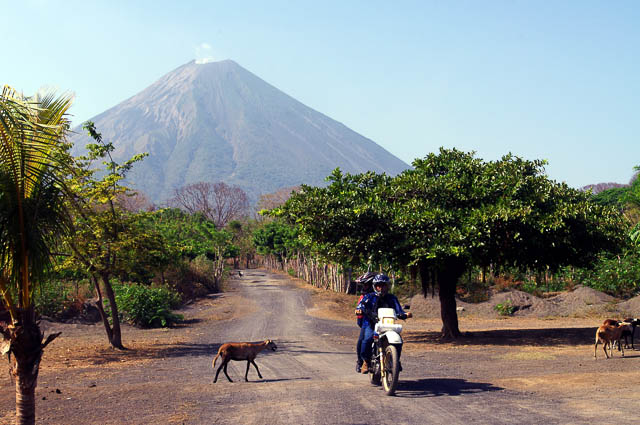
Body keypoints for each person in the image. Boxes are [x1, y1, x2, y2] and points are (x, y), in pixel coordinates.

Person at [354, 273, 412, 374]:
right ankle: (366, 361)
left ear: (388, 286)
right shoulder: (369, 297)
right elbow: (361, 305)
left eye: (384, 285)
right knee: (367, 339)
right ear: (375, 286)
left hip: (388, 324)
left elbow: (398, 310)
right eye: (379, 285)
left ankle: (395, 360)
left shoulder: (392, 298)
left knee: (399, 341)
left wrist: (405, 314)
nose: (381, 288)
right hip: (371, 323)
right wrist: (359, 310)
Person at [354, 272, 376, 373]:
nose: (364, 287)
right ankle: (361, 361)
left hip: (383, 322)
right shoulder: (365, 297)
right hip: (367, 322)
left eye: (366, 285)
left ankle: (394, 361)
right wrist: (359, 311)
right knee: (362, 340)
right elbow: (359, 308)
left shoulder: (387, 296)